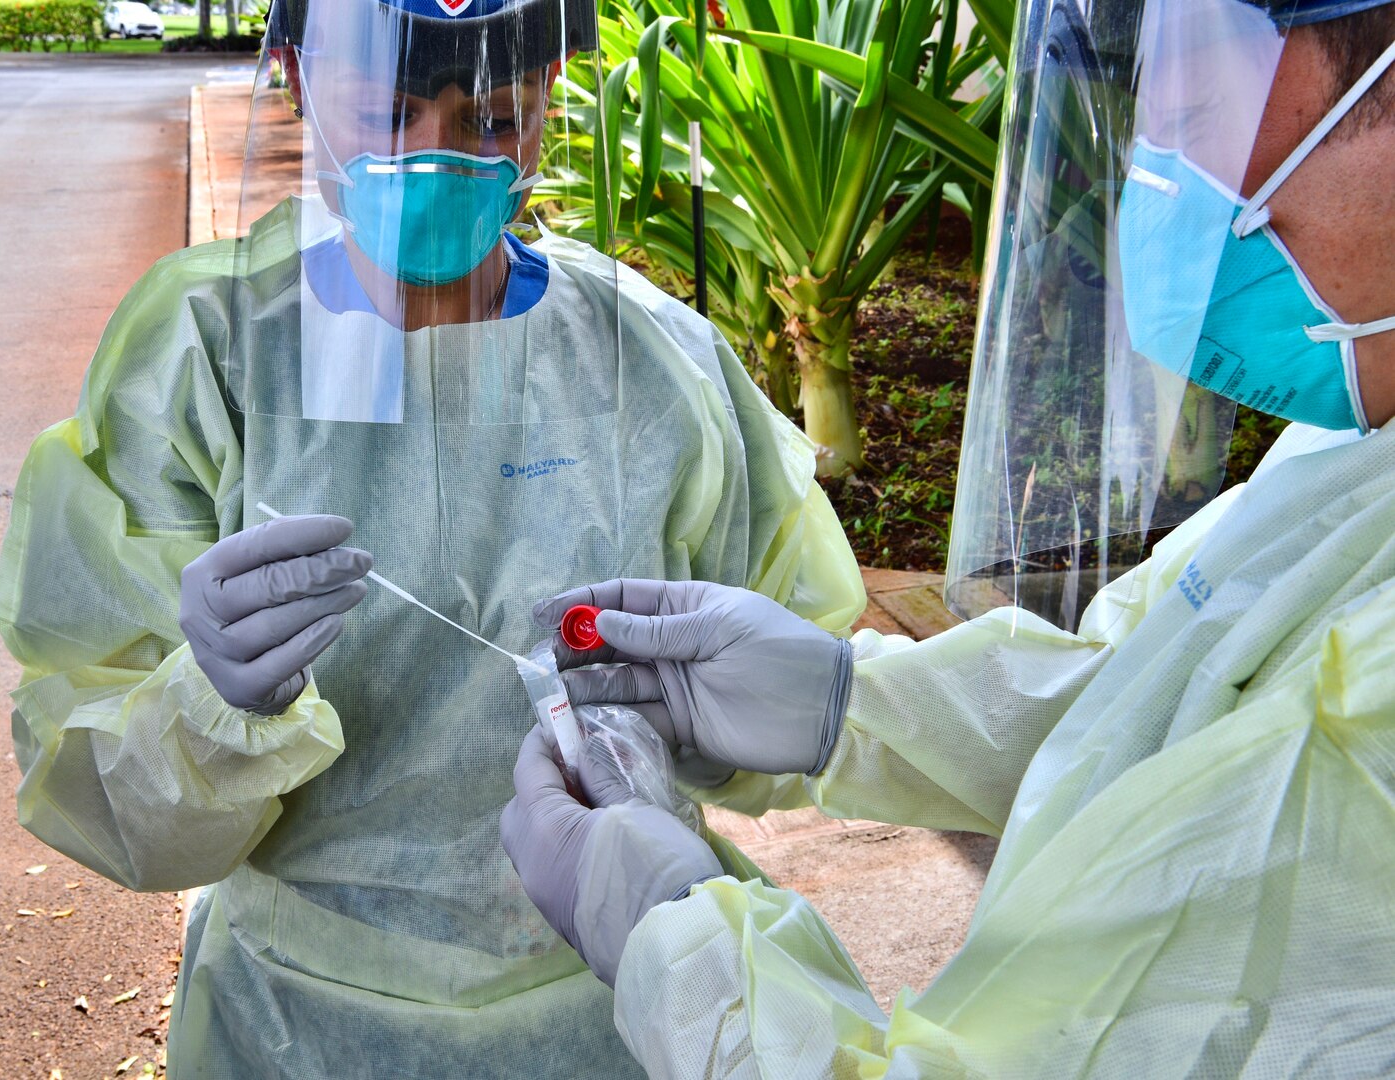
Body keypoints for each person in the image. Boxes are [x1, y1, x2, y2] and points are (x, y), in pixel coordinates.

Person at [502, 0, 1395, 1075]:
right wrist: (850, 706)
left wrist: (678, 944)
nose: (1155, 177)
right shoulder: (1349, 455)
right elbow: (1163, 708)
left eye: (1195, 103)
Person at [0, 0, 864, 1074]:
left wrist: (699, 724)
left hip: (621, 1003)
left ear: (550, 103)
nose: (436, 157)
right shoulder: (209, 361)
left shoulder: (653, 365)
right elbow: (94, 773)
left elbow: (797, 689)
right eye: (386, 111)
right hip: (300, 1026)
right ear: (299, 79)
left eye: (494, 118)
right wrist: (205, 708)